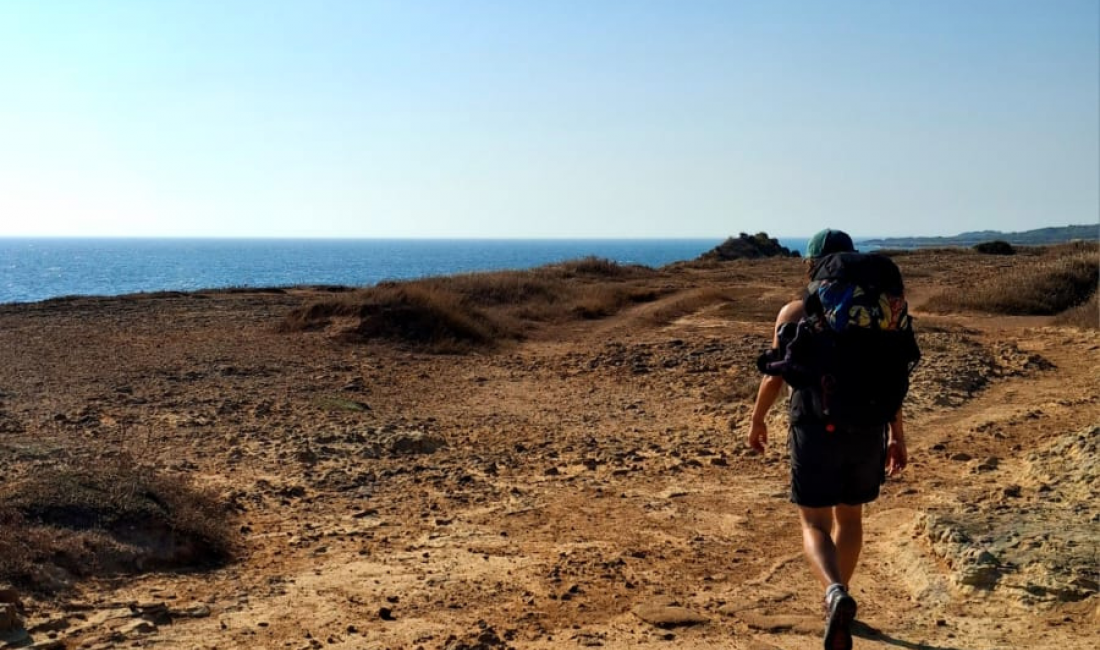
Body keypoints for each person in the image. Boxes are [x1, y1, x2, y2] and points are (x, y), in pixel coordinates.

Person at [747, 228, 909, 650]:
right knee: (850, 519)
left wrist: (757, 420)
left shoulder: (794, 311)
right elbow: (890, 377)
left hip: (814, 427)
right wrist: (897, 435)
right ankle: (840, 595)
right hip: (869, 426)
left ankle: (834, 592)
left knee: (814, 523)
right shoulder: (878, 312)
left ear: (813, 264)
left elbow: (775, 376)